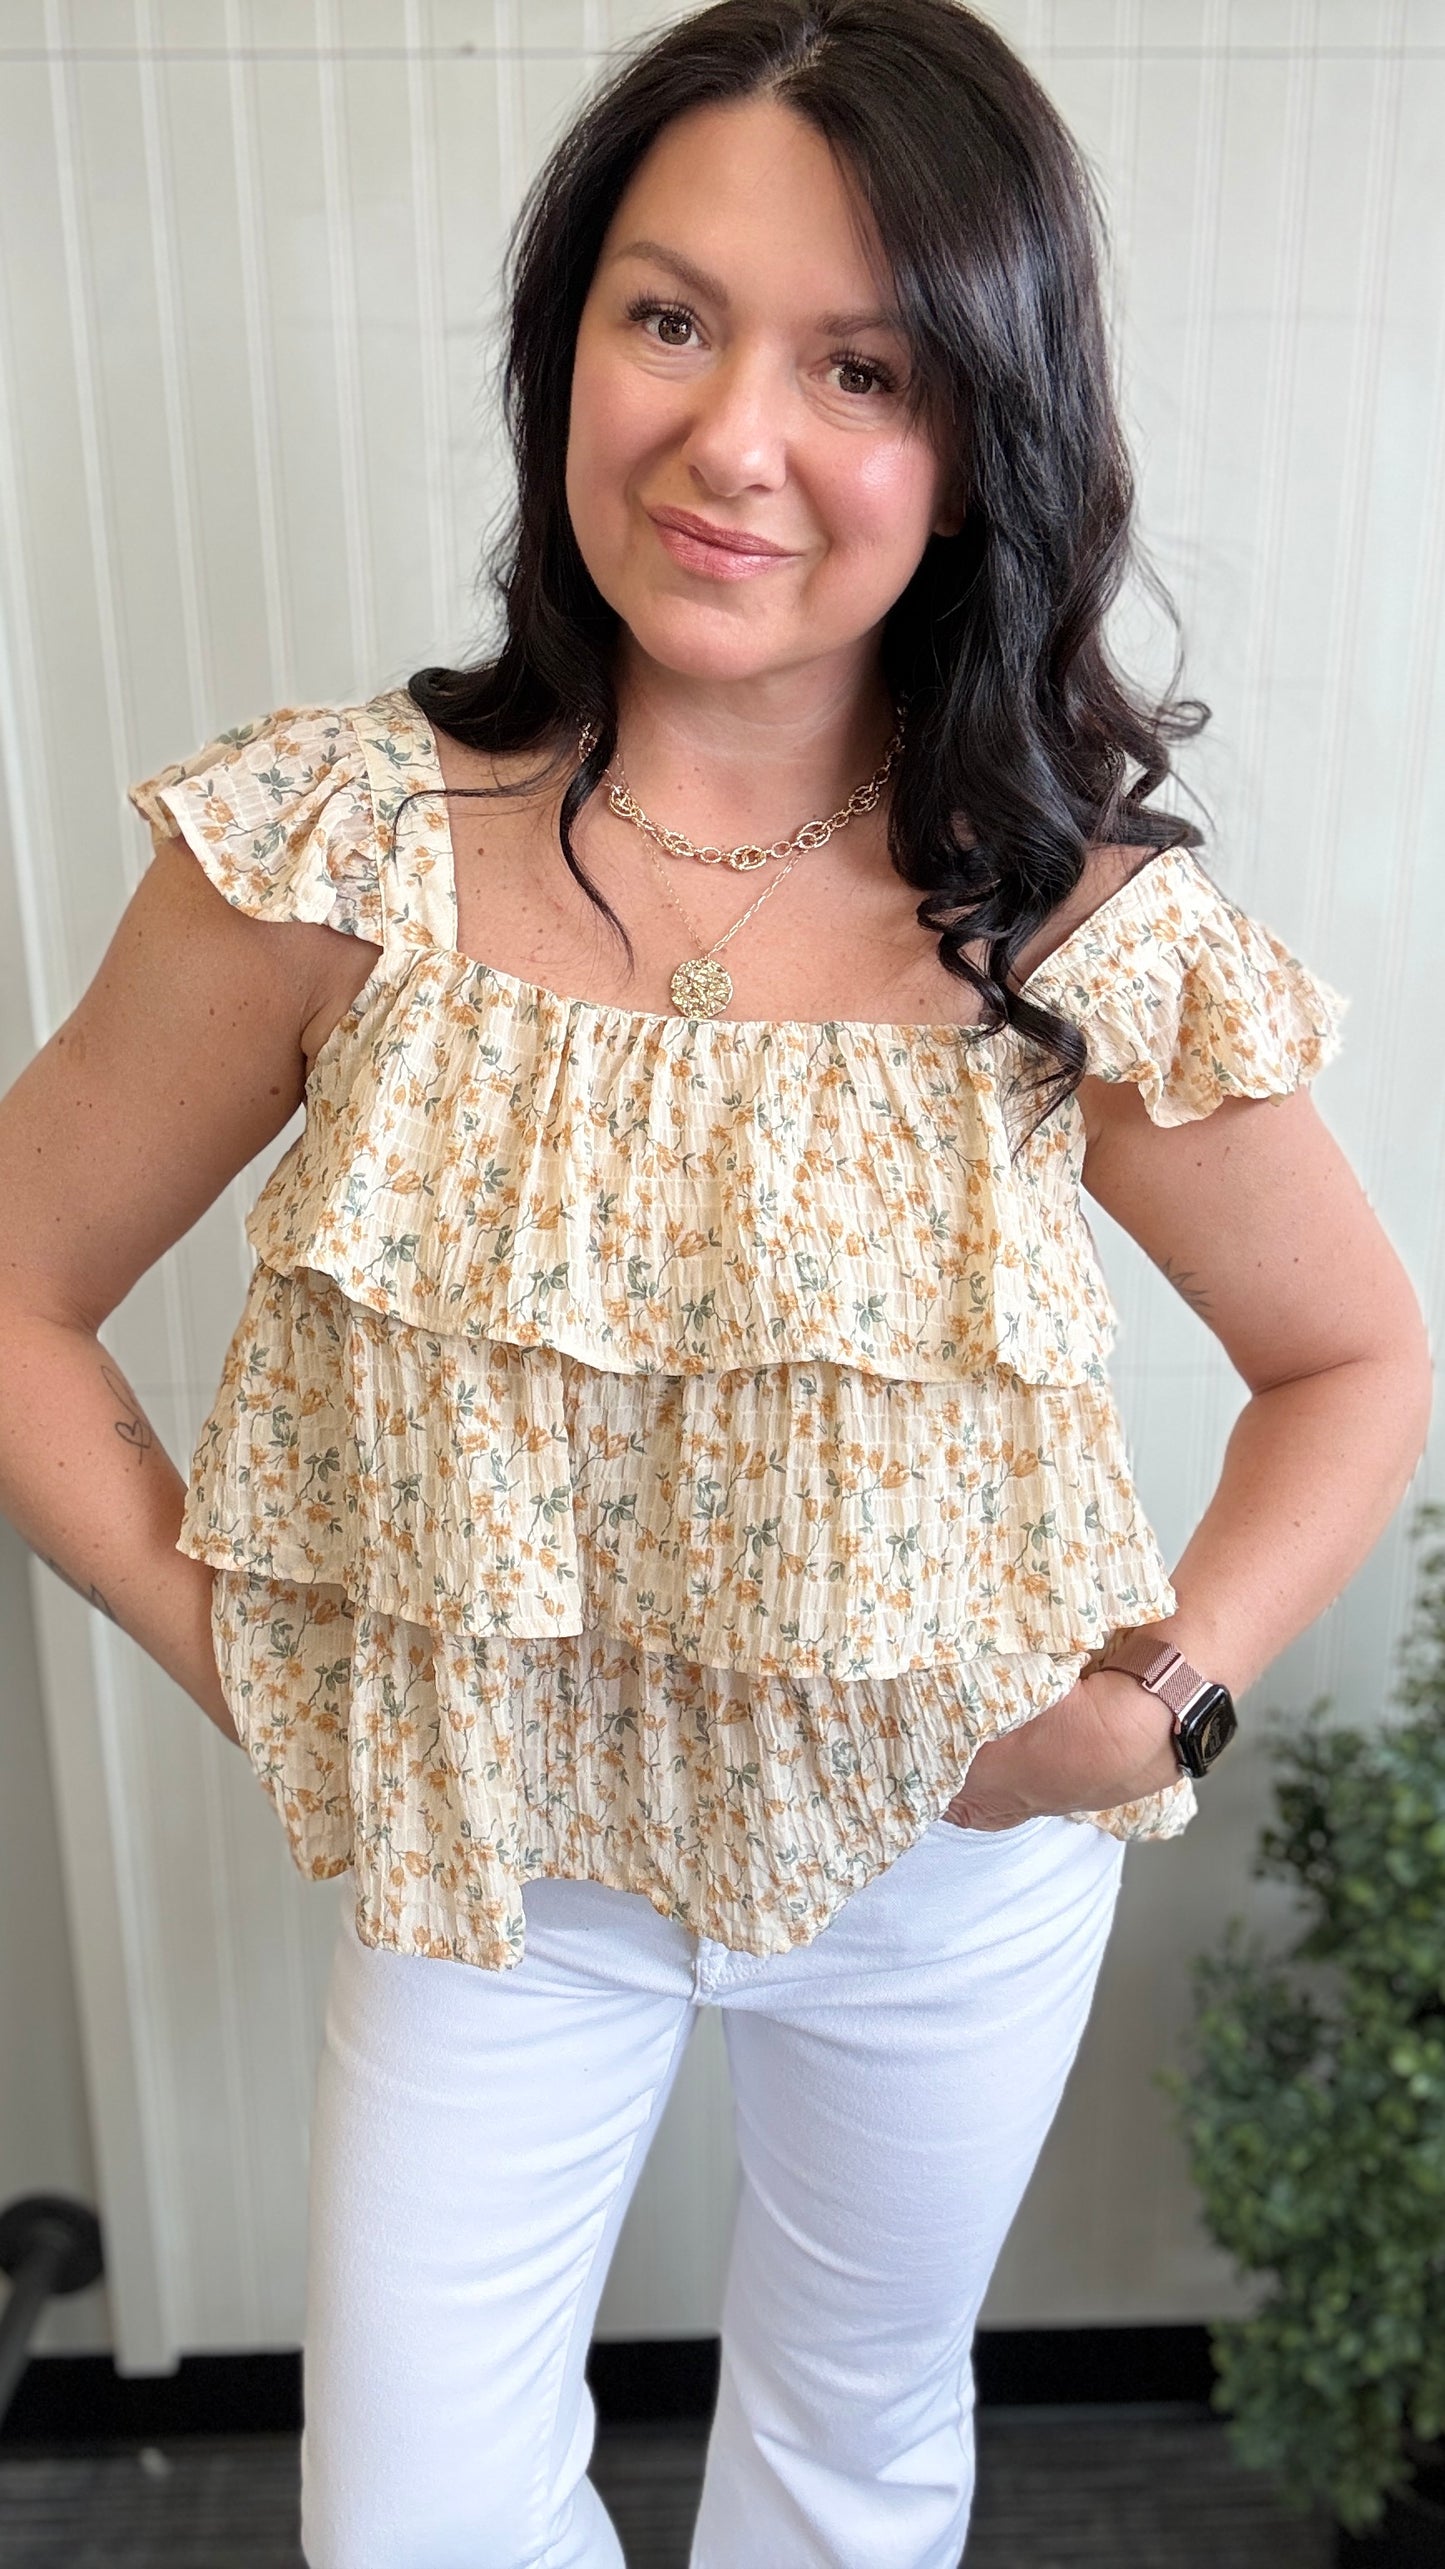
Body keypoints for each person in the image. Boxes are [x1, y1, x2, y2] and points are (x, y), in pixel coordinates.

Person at [0, 2, 1431, 2562]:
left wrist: (1157, 1702)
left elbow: (1351, 1356)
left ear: (980, 438)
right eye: (670, 317)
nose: (733, 438)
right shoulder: (339, 851)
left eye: (858, 365)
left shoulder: (1072, 924)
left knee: (856, 2455)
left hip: (952, 1855)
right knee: (415, 2517)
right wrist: (259, 1640)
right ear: (568, 340)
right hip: (497, 1874)